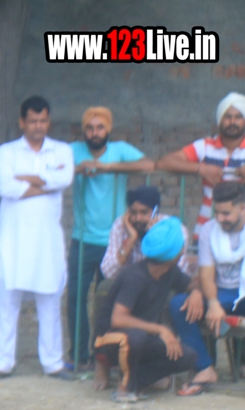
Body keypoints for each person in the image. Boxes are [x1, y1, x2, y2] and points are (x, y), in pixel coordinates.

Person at [0, 96, 75, 382]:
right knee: (7, 302)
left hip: (47, 240)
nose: (38, 126)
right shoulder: (6, 152)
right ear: (22, 122)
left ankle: (53, 363)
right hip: (12, 239)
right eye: (33, 121)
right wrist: (47, 181)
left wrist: (26, 177)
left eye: (43, 121)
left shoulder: (62, 150)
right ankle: (2, 363)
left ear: (49, 122)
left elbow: (65, 180)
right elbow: (5, 187)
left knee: (50, 301)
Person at [67, 106, 154, 369]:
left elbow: (149, 165)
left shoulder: (119, 149)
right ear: (83, 130)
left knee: (108, 299)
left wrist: (108, 167)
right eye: (89, 128)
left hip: (114, 240)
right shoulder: (74, 150)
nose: (95, 132)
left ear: (108, 129)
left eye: (100, 127)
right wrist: (78, 169)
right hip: (82, 238)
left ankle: (103, 356)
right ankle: (79, 356)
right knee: (76, 298)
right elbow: (52, 169)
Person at [94, 216, 198, 402]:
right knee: (136, 337)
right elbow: (118, 319)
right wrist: (160, 330)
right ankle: (124, 387)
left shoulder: (169, 271)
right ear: (173, 254)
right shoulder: (135, 277)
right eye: (181, 247)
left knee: (188, 356)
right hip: (110, 340)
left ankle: (133, 382)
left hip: (141, 339)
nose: (183, 250)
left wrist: (196, 292)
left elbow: (191, 284)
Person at [168, 181, 245, 395]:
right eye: (216, 213)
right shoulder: (209, 230)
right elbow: (206, 272)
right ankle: (204, 368)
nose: (220, 218)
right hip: (222, 293)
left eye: (226, 213)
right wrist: (211, 302)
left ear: (243, 208)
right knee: (179, 305)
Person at [157, 92, 245, 237]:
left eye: (238, 117)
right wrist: (200, 168)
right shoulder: (205, 146)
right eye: (227, 117)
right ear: (220, 120)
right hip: (207, 226)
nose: (232, 122)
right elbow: (163, 163)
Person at [99, 185, 193, 281]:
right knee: (105, 286)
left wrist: (155, 237)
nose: (138, 218)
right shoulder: (121, 225)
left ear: (156, 212)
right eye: (133, 213)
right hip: (131, 283)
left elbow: (175, 274)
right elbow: (108, 273)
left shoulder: (175, 230)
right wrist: (130, 241)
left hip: (164, 285)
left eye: (144, 212)